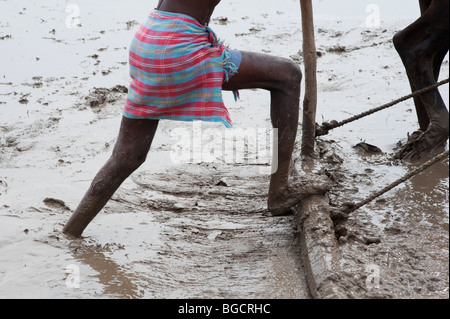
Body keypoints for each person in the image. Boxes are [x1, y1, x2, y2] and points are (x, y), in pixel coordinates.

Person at [62, 0, 330, 238]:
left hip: (149, 41)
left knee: (127, 156)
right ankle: (279, 191)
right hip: (178, 48)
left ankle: (72, 230)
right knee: (287, 75)